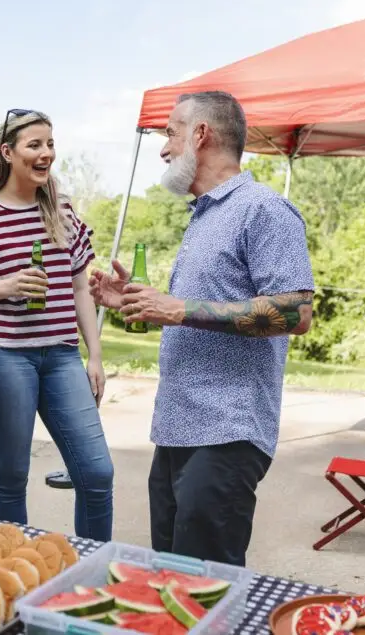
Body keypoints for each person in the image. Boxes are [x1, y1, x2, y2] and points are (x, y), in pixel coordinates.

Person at [91, 91, 314, 567]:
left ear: (200, 134)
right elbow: (191, 314)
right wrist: (136, 301)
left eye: (171, 132)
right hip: (176, 429)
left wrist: (178, 308)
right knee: (170, 580)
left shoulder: (263, 209)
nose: (164, 147)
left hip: (226, 433)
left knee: (204, 587)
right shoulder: (204, 216)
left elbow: (297, 313)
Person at [0, 109, 115, 542]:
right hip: (0, 357)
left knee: (96, 471)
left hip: (60, 356)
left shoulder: (62, 211)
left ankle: (89, 570)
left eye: (50, 144)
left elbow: (78, 288)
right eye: (35, 145)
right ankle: (13, 569)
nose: (46, 153)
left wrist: (94, 355)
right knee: (12, 475)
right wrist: (5, 285)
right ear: (8, 152)